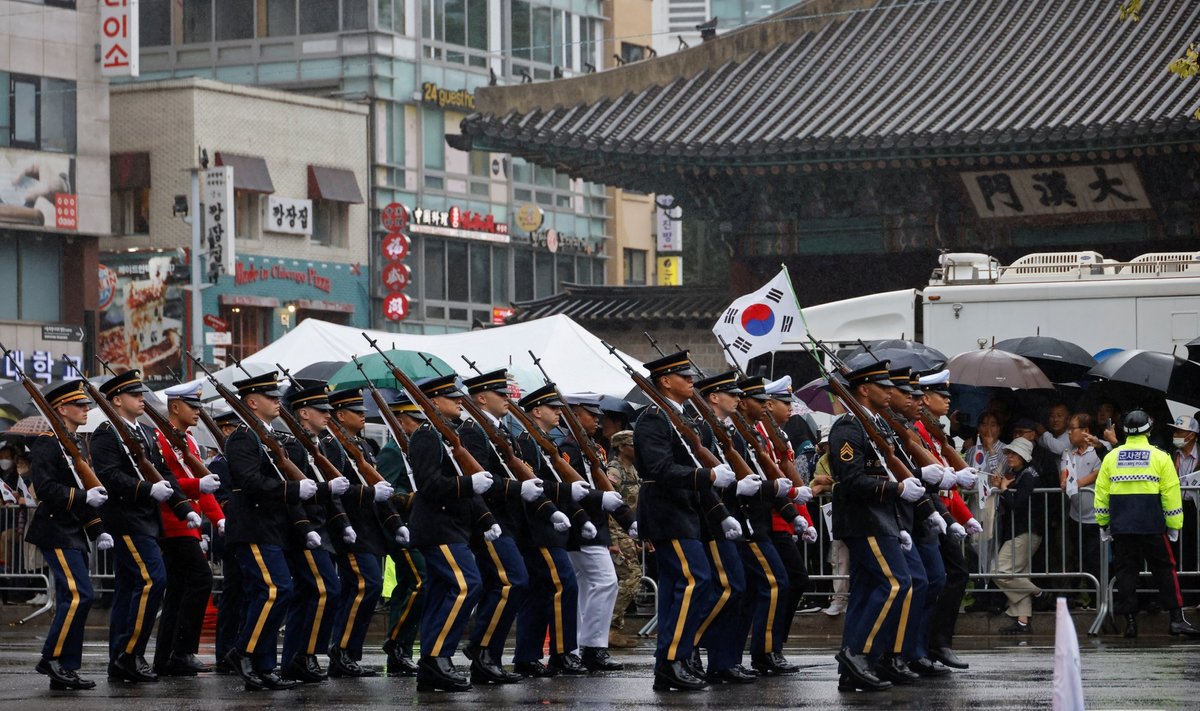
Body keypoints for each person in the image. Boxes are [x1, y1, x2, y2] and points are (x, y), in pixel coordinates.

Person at [90, 369, 199, 683]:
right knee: (153, 580)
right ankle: (130, 654)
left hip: (147, 522)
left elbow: (164, 473)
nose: (142, 399)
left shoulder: (148, 433)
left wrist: (182, 508)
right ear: (116, 400)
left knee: (129, 589)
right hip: (126, 521)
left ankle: (120, 657)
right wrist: (146, 490)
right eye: (135, 395)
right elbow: (109, 475)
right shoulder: (106, 433)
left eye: (141, 394)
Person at [633, 351, 731, 692]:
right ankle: (674, 658)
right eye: (684, 376)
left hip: (685, 512)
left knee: (683, 586)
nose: (692, 381)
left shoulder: (682, 416)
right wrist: (707, 475)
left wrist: (721, 513)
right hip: (666, 512)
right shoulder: (653, 419)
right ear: (665, 382)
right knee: (696, 580)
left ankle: (674, 659)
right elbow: (659, 469)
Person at [828, 361, 921, 693]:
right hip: (863, 520)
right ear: (864, 390)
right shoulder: (848, 429)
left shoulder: (875, 426)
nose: (890, 392)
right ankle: (858, 654)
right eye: (883, 387)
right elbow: (851, 478)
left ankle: (853, 668)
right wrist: (896, 489)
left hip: (881, 519)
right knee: (896, 583)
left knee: (868, 591)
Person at [223, 371, 317, 691]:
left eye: (277, 396)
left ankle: (264, 665)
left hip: (271, 528)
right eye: (270, 397)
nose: (278, 401)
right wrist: (292, 491)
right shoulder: (243, 437)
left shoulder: (268, 435)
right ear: (252, 402)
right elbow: (250, 482)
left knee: (269, 594)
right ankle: (244, 652)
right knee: (276, 590)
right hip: (253, 527)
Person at [407, 374, 494, 692]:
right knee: (466, 584)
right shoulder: (427, 436)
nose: (459, 400)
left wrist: (484, 519)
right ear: (432, 402)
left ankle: (433, 662)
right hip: (437, 527)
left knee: (445, 591)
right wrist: (469, 484)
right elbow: (428, 485)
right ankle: (436, 658)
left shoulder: (447, 435)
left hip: (452, 527)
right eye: (450, 396)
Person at [25, 380, 111, 690]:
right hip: (56, 529)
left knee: (71, 597)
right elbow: (47, 490)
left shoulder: (76, 443)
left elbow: (86, 487)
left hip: (73, 531)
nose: (87, 409)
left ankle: (66, 667)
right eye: (80, 405)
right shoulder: (47, 443)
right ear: (62, 409)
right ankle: (51, 658)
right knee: (80, 595)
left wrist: (98, 529)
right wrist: (84, 497)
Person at [456, 369, 536, 684]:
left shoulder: (501, 430)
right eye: (500, 395)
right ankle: (481, 648)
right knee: (513, 581)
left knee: (504, 585)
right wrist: (516, 488)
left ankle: (488, 656)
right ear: (480, 398)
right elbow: (482, 481)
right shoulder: (474, 431)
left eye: (507, 393)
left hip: (508, 520)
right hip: (489, 520)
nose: (507, 399)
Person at [1096, 410, 1200, 638]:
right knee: (1165, 570)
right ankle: (1176, 620)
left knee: (1126, 574)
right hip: (1151, 524)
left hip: (1122, 526)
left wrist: (1104, 523)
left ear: (1124, 431)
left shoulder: (1112, 457)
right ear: (1148, 431)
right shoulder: (1160, 456)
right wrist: (1174, 525)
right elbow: (1171, 495)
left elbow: (1101, 494)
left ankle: (1131, 624)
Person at [511, 383, 589, 678]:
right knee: (563, 585)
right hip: (537, 528)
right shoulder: (525, 442)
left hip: (549, 527)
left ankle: (527, 656)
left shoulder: (544, 441)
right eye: (553, 408)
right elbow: (539, 486)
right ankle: (562, 652)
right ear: (536, 411)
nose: (559, 412)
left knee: (541, 592)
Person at [326, 386, 403, 678]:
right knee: (363, 587)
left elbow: (377, 488)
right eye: (357, 412)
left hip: (370, 531)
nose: (362, 417)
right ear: (340, 415)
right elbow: (340, 491)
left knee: (365, 589)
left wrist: (395, 523)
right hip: (353, 529)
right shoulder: (333, 446)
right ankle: (341, 651)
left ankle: (349, 653)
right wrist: (369, 494)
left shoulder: (364, 445)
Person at [151, 383, 225, 676]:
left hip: (190, 524)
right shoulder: (161, 440)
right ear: (175, 407)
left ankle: (167, 656)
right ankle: (181, 650)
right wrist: (196, 486)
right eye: (192, 407)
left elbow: (203, 488)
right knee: (200, 579)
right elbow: (165, 482)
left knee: (179, 590)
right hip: (172, 522)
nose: (198, 412)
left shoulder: (190, 442)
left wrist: (218, 517)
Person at [557, 393, 628, 672]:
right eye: (590, 414)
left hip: (593, 527)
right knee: (605, 582)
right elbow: (573, 492)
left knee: (586, 588)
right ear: (574, 415)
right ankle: (593, 646)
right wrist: (587, 518)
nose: (597, 419)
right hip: (580, 528)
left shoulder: (591, 446)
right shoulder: (569, 449)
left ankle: (579, 647)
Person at [377, 395, 425, 676]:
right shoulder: (394, 452)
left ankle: (402, 648)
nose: (420, 425)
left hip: (419, 528)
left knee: (413, 584)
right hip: (402, 527)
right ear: (403, 422)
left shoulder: (414, 449)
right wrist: (412, 498)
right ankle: (397, 644)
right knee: (421, 580)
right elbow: (386, 494)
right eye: (416, 421)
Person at [992, 438, 1043, 634]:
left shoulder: (1028, 475)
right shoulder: (1021, 474)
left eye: (1014, 453)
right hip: (1023, 531)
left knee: (1000, 571)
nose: (1009, 456)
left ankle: (1038, 592)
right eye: (1008, 453)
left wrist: (1004, 489)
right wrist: (1003, 487)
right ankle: (1022, 621)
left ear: (1024, 456)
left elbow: (1018, 504)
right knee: (1019, 574)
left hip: (1025, 531)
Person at [207, 410, 244, 675]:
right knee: (233, 596)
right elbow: (223, 499)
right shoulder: (220, 463)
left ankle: (237, 649)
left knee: (246, 595)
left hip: (244, 533)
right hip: (231, 536)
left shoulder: (239, 459)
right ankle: (225, 651)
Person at [1061, 413, 1102, 610]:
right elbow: (1064, 476)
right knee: (1076, 558)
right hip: (1075, 516)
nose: (1069, 432)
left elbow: (1098, 473)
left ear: (1085, 431)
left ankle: (1098, 599)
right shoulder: (1068, 452)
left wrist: (1077, 483)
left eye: (1073, 428)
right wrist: (1065, 482)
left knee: (1095, 560)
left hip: (1095, 517)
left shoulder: (1098, 452)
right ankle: (1075, 598)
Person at [605, 430, 642, 648]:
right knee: (632, 576)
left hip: (629, 531)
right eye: (631, 444)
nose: (636, 448)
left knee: (629, 578)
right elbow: (609, 506)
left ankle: (611, 628)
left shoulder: (634, 470)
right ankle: (610, 628)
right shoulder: (614, 470)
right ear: (620, 447)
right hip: (616, 532)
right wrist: (612, 539)